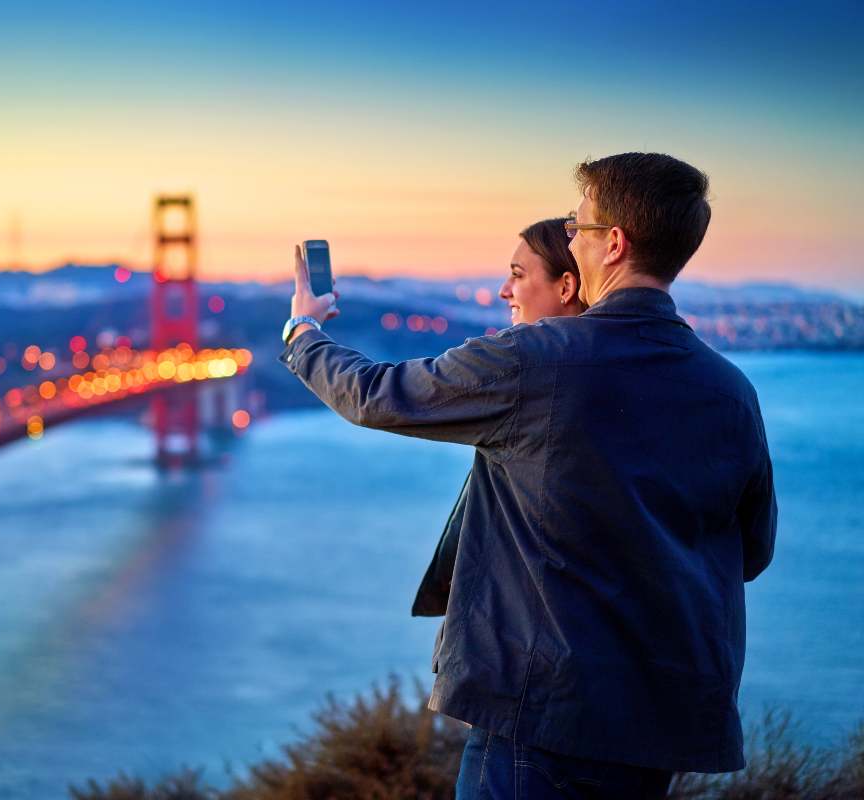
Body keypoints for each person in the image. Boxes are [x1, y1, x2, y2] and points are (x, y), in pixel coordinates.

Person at [278, 152, 777, 800]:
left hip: (545, 716)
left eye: (578, 227)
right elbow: (751, 552)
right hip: (658, 725)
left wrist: (303, 332)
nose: (572, 239)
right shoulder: (731, 392)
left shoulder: (538, 361)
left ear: (615, 244)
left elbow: (377, 394)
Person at [412, 217, 584, 636]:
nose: (504, 291)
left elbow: (375, 395)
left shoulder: (526, 370)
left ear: (566, 287)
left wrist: (303, 332)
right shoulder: (699, 381)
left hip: (517, 660)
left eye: (517, 275)